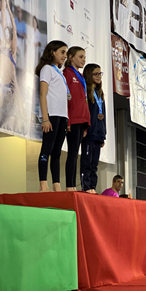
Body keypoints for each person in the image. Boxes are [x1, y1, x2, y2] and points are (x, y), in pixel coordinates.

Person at [35, 40, 69, 192]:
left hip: (62, 116)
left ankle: (57, 186)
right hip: (52, 115)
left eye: (66, 53)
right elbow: (43, 94)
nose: (65, 56)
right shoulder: (47, 69)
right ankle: (43, 185)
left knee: (57, 152)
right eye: (62, 52)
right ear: (52, 52)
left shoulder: (59, 72)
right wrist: (45, 118)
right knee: (46, 150)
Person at [63, 47, 90, 191]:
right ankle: (70, 185)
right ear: (71, 57)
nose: (83, 60)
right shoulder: (67, 73)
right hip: (72, 119)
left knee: (76, 154)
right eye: (80, 57)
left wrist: (86, 124)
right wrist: (67, 120)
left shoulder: (81, 77)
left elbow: (83, 100)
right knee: (72, 153)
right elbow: (65, 99)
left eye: (85, 57)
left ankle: (72, 185)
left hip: (81, 120)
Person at [80, 64, 106, 194]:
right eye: (96, 74)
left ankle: (93, 187)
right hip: (89, 133)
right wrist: (85, 128)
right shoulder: (86, 92)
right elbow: (84, 112)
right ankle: (86, 187)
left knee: (95, 164)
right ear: (89, 75)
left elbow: (104, 115)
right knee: (87, 161)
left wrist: (103, 134)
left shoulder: (100, 94)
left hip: (98, 133)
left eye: (100, 74)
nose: (98, 76)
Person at [15, 6, 27, 75]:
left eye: (20, 12)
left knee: (22, 59)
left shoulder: (23, 24)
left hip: (21, 41)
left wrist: (20, 34)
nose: (19, 13)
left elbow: (25, 35)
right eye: (17, 11)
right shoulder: (14, 20)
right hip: (15, 40)